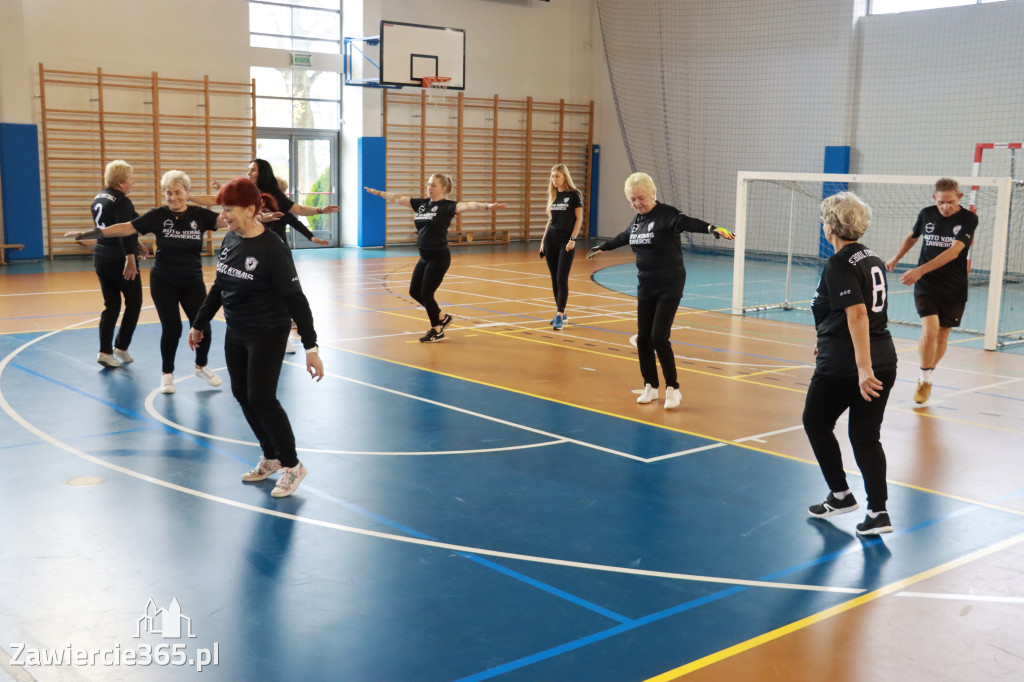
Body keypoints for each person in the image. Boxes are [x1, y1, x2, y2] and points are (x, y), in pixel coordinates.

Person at [188, 177, 324, 498]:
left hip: (268, 331)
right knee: (242, 394)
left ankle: (293, 466)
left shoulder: (273, 249)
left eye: (229, 209)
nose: (223, 216)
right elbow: (220, 286)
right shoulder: (231, 241)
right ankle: (271, 456)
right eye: (222, 209)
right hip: (237, 330)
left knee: (262, 397)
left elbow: (297, 300)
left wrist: (311, 346)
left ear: (250, 209)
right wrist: (199, 322)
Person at [67, 170, 224, 395]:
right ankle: (167, 374)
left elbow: (229, 219)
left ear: (187, 193)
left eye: (177, 192)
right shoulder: (157, 216)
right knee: (172, 329)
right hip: (164, 282)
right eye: (168, 193)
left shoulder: (200, 215)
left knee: (202, 327)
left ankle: (201, 366)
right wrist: (90, 233)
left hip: (192, 281)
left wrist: (254, 215)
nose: (172, 197)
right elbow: (125, 227)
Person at [586, 172, 734, 409]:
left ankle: (673, 388)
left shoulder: (667, 214)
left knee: (658, 336)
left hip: (670, 283)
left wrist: (711, 228)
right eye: (632, 200)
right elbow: (626, 236)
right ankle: (650, 386)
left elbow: (688, 222)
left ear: (652, 193)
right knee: (644, 338)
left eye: (641, 198)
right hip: (646, 284)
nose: (637, 203)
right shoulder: (637, 220)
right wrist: (603, 247)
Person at [805, 191, 898, 536]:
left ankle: (841, 494)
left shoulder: (840, 262)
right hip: (883, 356)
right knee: (864, 435)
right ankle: (878, 513)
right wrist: (824, 338)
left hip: (848, 364)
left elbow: (858, 313)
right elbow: (847, 312)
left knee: (815, 422)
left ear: (831, 225)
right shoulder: (870, 257)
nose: (822, 224)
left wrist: (863, 369)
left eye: (823, 219)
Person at [364, 174, 507, 342]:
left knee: (426, 293)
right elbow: (398, 198)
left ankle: (437, 330)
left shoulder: (448, 206)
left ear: (443, 188)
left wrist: (488, 206)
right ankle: (442, 317)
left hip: (439, 256)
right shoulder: (421, 205)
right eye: (428, 184)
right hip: (424, 256)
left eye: (433, 185)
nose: (428, 187)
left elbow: (468, 205)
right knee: (414, 292)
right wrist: (379, 193)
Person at [885, 178, 978, 404]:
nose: (945, 207)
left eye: (950, 202)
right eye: (940, 203)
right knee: (930, 331)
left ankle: (926, 375)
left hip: (954, 286)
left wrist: (918, 270)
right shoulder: (926, 214)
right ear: (934, 198)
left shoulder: (968, 219)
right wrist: (897, 258)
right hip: (927, 284)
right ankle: (924, 378)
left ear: (960, 197)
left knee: (943, 334)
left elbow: (953, 252)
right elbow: (912, 236)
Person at [89, 160, 143, 368]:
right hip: (119, 259)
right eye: (131, 178)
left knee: (111, 306)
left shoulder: (100, 197)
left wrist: (137, 244)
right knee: (135, 302)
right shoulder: (122, 201)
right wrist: (130, 257)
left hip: (101, 256)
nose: (133, 182)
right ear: (121, 181)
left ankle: (105, 351)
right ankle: (121, 346)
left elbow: (133, 222)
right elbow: (124, 231)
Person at [538, 164, 584, 331]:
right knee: (554, 278)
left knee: (561, 278)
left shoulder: (574, 195)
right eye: (552, 177)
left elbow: (579, 219)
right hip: (551, 240)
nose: (554, 180)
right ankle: (561, 311)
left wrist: (573, 239)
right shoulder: (554, 195)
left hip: (566, 241)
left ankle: (559, 314)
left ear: (564, 176)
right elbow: (550, 220)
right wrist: (543, 241)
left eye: (557, 176)